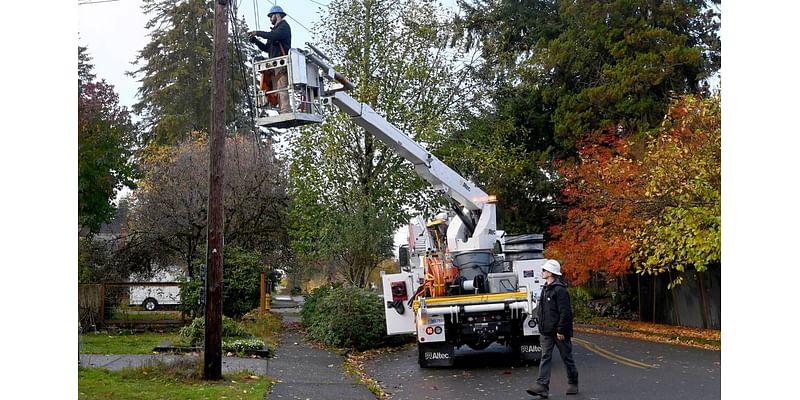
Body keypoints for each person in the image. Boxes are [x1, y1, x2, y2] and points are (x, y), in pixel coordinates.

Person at [527, 259, 579, 397]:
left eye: (544, 270)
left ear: (550, 273)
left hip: (559, 332)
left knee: (566, 357)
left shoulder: (559, 290)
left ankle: (573, 382)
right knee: (545, 357)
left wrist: (561, 330)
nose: (542, 272)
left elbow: (565, 312)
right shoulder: (545, 288)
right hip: (546, 332)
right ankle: (542, 385)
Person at [249, 5, 292, 113]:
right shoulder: (275, 31)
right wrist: (256, 41)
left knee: (282, 88)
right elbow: (267, 48)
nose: (270, 19)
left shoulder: (284, 27)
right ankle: (281, 110)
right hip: (274, 65)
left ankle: (285, 110)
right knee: (275, 90)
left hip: (281, 64)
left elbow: (274, 36)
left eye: (271, 16)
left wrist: (257, 33)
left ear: (277, 15)